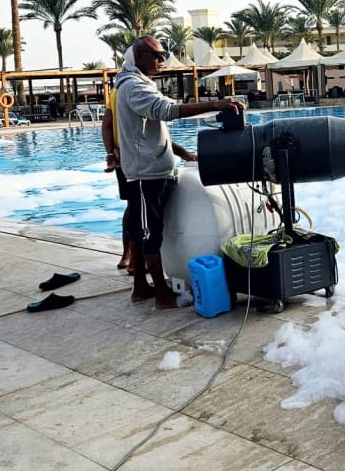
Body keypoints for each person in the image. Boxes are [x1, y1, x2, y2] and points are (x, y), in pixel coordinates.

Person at [113, 37, 244, 308]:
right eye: (157, 55)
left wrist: (182, 153)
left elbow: (150, 130)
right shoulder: (134, 87)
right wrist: (215, 104)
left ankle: (140, 287)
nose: (162, 60)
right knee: (149, 233)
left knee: (141, 228)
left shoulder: (140, 84)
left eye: (164, 54)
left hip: (150, 171)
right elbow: (166, 111)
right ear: (139, 56)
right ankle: (162, 295)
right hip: (145, 175)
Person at [102, 81, 197, 274]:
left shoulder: (125, 89)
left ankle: (131, 258)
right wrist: (110, 153)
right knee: (137, 212)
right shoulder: (130, 89)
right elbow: (109, 125)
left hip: (130, 159)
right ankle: (134, 260)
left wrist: (183, 153)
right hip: (134, 162)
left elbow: (154, 135)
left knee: (135, 209)